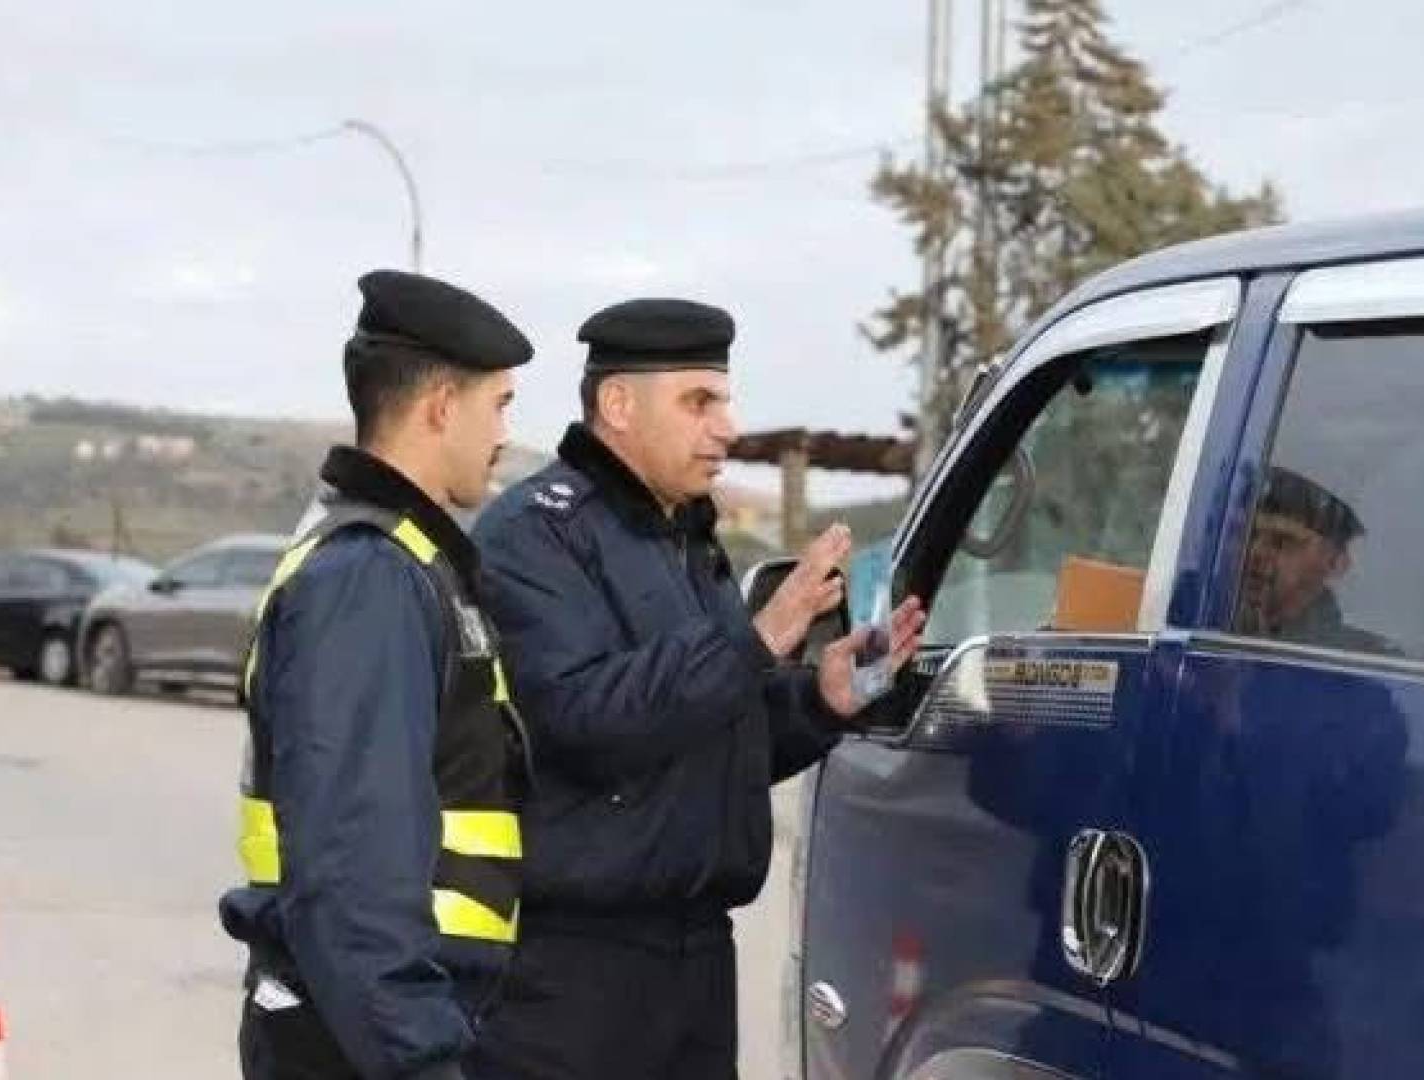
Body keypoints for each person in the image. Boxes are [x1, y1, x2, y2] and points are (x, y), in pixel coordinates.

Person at [467, 297, 926, 1080]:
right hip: (577, 976)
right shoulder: (535, 535)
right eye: (699, 401)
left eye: (725, 400)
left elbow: (713, 731)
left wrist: (821, 699)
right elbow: (580, 720)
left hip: (696, 962)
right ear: (618, 405)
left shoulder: (684, 535)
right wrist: (751, 639)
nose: (728, 427)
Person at [218, 270, 534, 1079]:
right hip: (359, 1040)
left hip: (374, 1023)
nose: (505, 431)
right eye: (499, 403)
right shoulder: (370, 578)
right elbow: (354, 876)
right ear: (440, 406)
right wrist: (423, 1062)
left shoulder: (409, 562)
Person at [1235, 464, 1397, 655]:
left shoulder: (1363, 661)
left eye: (1283, 542)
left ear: (1336, 563)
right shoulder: (1217, 631)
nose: (1256, 552)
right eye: (1251, 536)